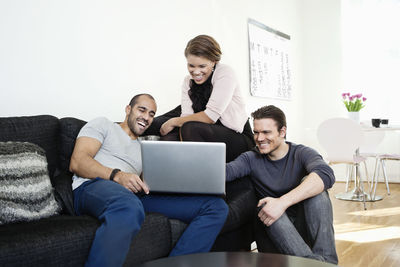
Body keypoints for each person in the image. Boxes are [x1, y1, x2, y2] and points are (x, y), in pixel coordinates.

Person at [70, 93, 229, 267]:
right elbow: (78, 162)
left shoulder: (145, 148)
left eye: (151, 114)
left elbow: (149, 182)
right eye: (142, 110)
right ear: (128, 109)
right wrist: (118, 175)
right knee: (128, 206)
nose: (146, 118)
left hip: (135, 195)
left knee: (216, 207)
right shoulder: (103, 124)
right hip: (94, 186)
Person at [225, 105, 338, 264]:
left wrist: (282, 202)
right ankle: (319, 263)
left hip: (306, 223)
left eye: (266, 132)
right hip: (274, 228)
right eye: (256, 132)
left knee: (316, 190)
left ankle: (322, 261)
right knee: (266, 205)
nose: (259, 138)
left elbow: (326, 174)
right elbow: (227, 172)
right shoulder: (250, 158)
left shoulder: (302, 153)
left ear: (282, 132)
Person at [154, 35, 254, 162]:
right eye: (191, 66)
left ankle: (198, 175)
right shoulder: (187, 82)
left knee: (189, 128)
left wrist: (173, 121)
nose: (196, 72)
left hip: (237, 137)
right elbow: (185, 117)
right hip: (206, 132)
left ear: (214, 61)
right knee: (168, 137)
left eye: (202, 66)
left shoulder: (225, 73)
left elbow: (210, 117)